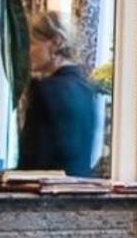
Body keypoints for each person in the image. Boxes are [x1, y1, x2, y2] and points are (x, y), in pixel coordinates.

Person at [16, 9, 102, 175]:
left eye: (33, 43)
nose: (28, 51)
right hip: (78, 189)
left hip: (45, 189)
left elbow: (32, 164)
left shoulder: (45, 91)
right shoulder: (87, 90)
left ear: (56, 42)